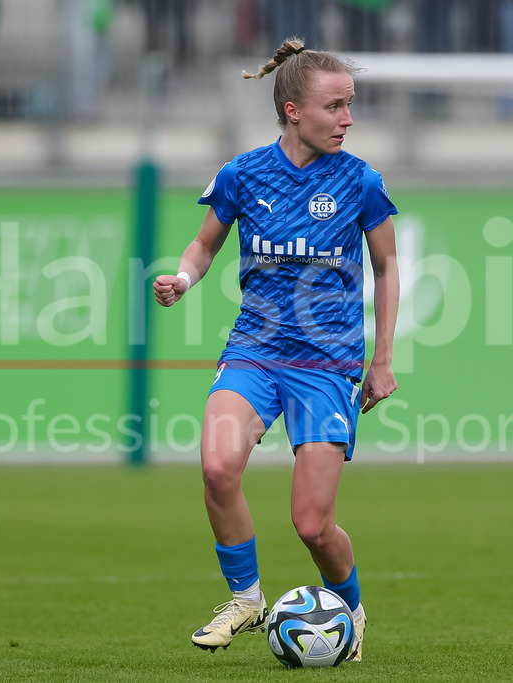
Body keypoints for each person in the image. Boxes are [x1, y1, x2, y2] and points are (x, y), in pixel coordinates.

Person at [153, 37, 399, 662]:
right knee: (216, 467)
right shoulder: (243, 174)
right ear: (293, 110)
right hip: (255, 352)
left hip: (326, 364)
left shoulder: (360, 182)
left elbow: (387, 269)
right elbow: (203, 246)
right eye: (335, 106)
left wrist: (382, 360)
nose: (348, 118)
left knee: (312, 525)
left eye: (351, 105)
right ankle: (245, 598)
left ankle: (351, 604)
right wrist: (183, 277)